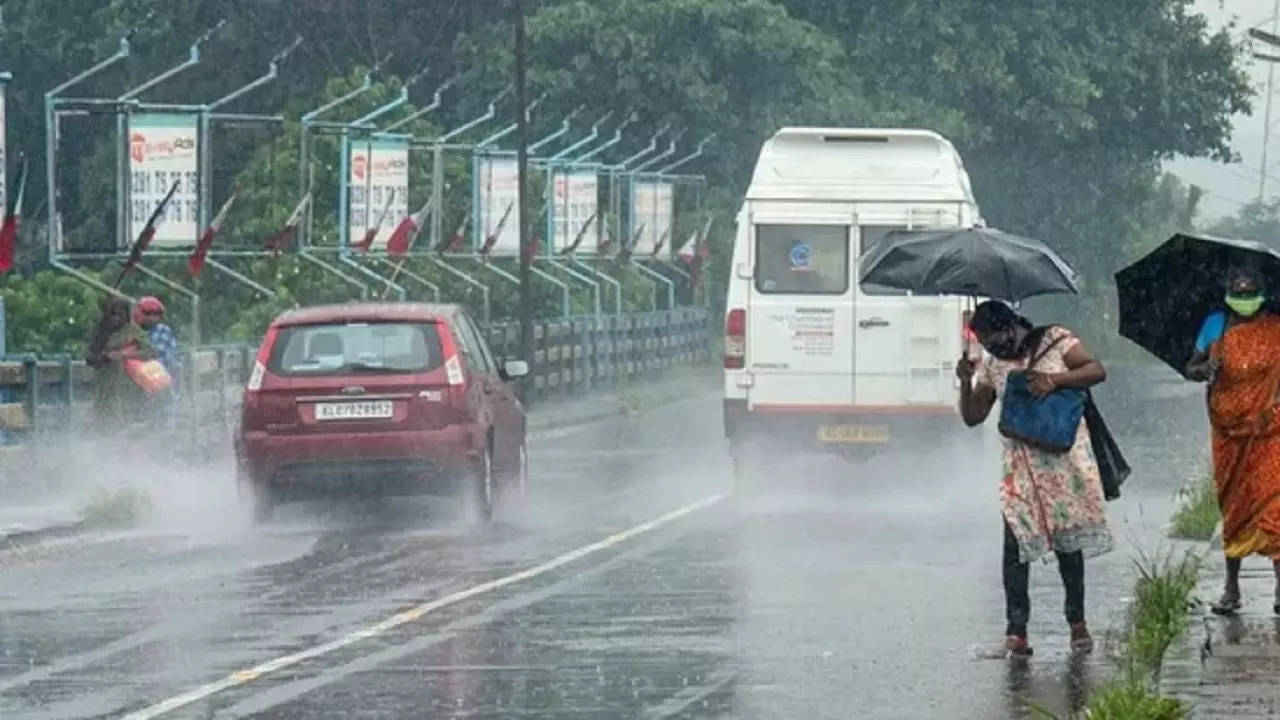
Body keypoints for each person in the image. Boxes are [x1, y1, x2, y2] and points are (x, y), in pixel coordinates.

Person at [956, 300, 1112, 657]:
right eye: (987, 344)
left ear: (1012, 327)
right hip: (1020, 470)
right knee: (1014, 548)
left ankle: (1077, 624)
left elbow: (1095, 370)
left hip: (1063, 465)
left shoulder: (1057, 341)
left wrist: (1054, 380)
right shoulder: (995, 366)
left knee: (1068, 547)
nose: (995, 348)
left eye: (997, 340)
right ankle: (1017, 632)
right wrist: (966, 383)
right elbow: (973, 417)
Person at [1186, 268, 1280, 616]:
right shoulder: (1216, 325)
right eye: (1237, 293)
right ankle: (1231, 589)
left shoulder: (1275, 328)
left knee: (1274, 505)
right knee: (1234, 505)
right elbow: (1191, 366)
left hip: (1269, 429)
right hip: (1227, 432)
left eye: (1250, 292)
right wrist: (1206, 368)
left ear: (1263, 294)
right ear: (1226, 294)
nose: (1244, 299)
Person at [86, 296, 157, 429]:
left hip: (128, 386)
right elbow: (89, 357)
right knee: (105, 422)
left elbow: (150, 352)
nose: (115, 318)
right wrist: (103, 357)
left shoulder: (133, 332)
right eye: (112, 314)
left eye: (120, 314)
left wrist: (123, 355)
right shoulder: (100, 332)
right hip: (105, 386)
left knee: (127, 424)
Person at [133, 296, 180, 385]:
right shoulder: (139, 331)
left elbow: (154, 354)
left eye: (155, 314)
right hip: (150, 376)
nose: (151, 318)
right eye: (147, 313)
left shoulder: (161, 330)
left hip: (164, 377)